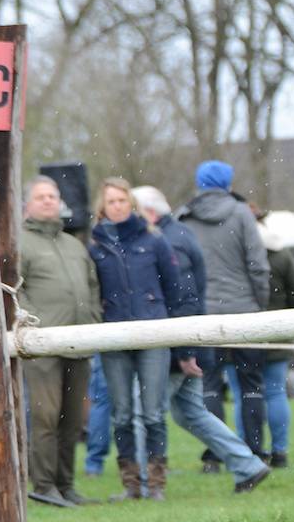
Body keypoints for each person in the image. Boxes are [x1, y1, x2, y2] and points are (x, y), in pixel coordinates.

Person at [133, 185, 271, 495]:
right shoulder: (179, 234)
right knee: (190, 413)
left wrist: (184, 351)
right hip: (189, 344)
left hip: (178, 348)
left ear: (149, 212)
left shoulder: (167, 241)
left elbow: (183, 299)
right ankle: (247, 464)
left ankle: (143, 483)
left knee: (145, 412)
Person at [89, 178, 192, 501]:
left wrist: (182, 344)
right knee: (121, 414)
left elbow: (174, 291)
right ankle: (131, 484)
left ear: (131, 204)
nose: (117, 206)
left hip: (153, 332)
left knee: (153, 413)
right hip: (113, 336)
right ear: (103, 207)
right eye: (111, 201)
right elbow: (91, 292)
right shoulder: (95, 247)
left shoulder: (154, 240)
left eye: (122, 200)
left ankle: (156, 482)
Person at [176, 160, 270, 462]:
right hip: (244, 311)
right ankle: (254, 451)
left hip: (203, 314)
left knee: (209, 385)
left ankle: (217, 454)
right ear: (228, 183)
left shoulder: (185, 217)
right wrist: (259, 304)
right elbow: (258, 265)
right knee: (251, 386)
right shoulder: (242, 213)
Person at [19, 177, 102, 505]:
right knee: (46, 418)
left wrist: (93, 319)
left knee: (73, 420)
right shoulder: (19, 243)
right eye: (40, 196)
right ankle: (43, 486)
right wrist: (33, 324)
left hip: (78, 342)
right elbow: (13, 289)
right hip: (42, 346)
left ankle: (66, 486)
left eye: (52, 196)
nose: (48, 201)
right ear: (27, 204)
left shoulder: (74, 244)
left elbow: (92, 286)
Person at [235, 212, 294, 468]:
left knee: (243, 394)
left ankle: (248, 451)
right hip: (276, 333)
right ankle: (280, 452)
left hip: (241, 333)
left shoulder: (233, 254)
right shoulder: (281, 254)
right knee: (275, 392)